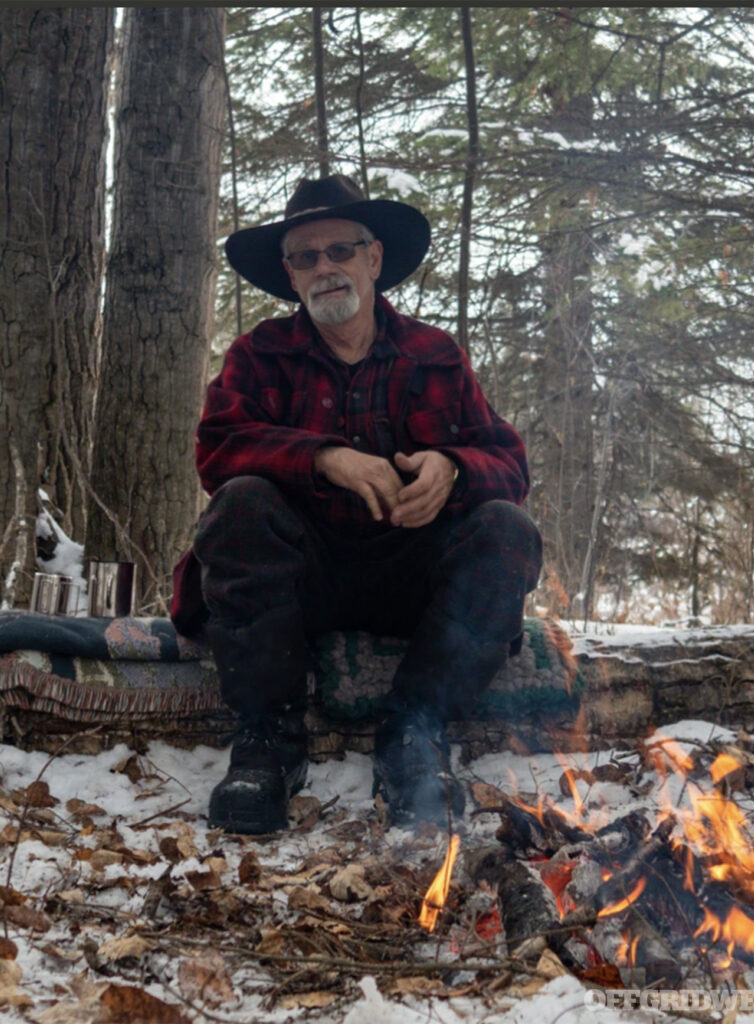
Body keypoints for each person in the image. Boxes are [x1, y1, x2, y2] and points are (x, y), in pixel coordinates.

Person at [170, 173, 542, 834]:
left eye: (340, 250)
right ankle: (267, 742)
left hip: (413, 580)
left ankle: (413, 736)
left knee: (506, 528)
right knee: (241, 503)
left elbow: (508, 463)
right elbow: (218, 450)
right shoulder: (258, 355)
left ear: (373, 259)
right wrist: (322, 456)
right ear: (289, 274)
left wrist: (453, 469)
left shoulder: (435, 356)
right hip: (297, 582)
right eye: (305, 257)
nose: (325, 268)